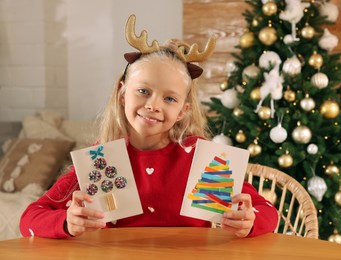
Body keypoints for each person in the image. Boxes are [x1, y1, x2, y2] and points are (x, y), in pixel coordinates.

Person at [20, 15, 278, 239]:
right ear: (122, 95)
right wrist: (67, 221)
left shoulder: (203, 159)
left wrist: (249, 220)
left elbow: (268, 212)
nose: (153, 105)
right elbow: (30, 218)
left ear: (182, 111)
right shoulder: (101, 160)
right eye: (143, 91)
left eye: (169, 99)